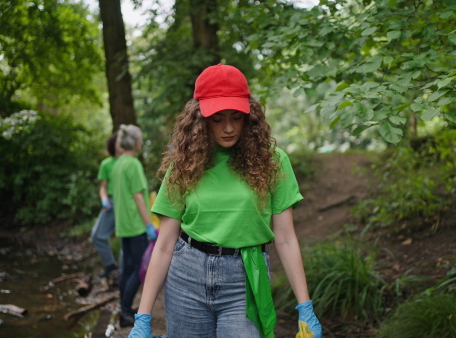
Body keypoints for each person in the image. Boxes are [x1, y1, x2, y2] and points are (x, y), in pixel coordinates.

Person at [129, 64, 322, 337]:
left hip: (244, 280)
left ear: (249, 115)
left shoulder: (273, 161)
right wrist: (143, 317)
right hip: (187, 276)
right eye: (217, 119)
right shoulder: (184, 164)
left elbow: (286, 237)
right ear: (199, 119)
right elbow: (164, 243)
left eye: (236, 117)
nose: (228, 128)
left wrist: (305, 307)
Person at [112, 124, 158, 327]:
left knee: (128, 268)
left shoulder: (118, 163)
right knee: (139, 269)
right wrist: (149, 225)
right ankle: (125, 312)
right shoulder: (133, 164)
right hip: (136, 225)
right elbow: (139, 198)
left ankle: (125, 309)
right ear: (136, 142)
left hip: (123, 225)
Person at [91, 132, 121, 279]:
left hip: (126, 204)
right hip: (111, 203)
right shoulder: (106, 164)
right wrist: (104, 199)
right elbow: (103, 187)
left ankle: (122, 270)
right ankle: (111, 265)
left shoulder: (129, 161)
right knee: (97, 236)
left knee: (125, 238)